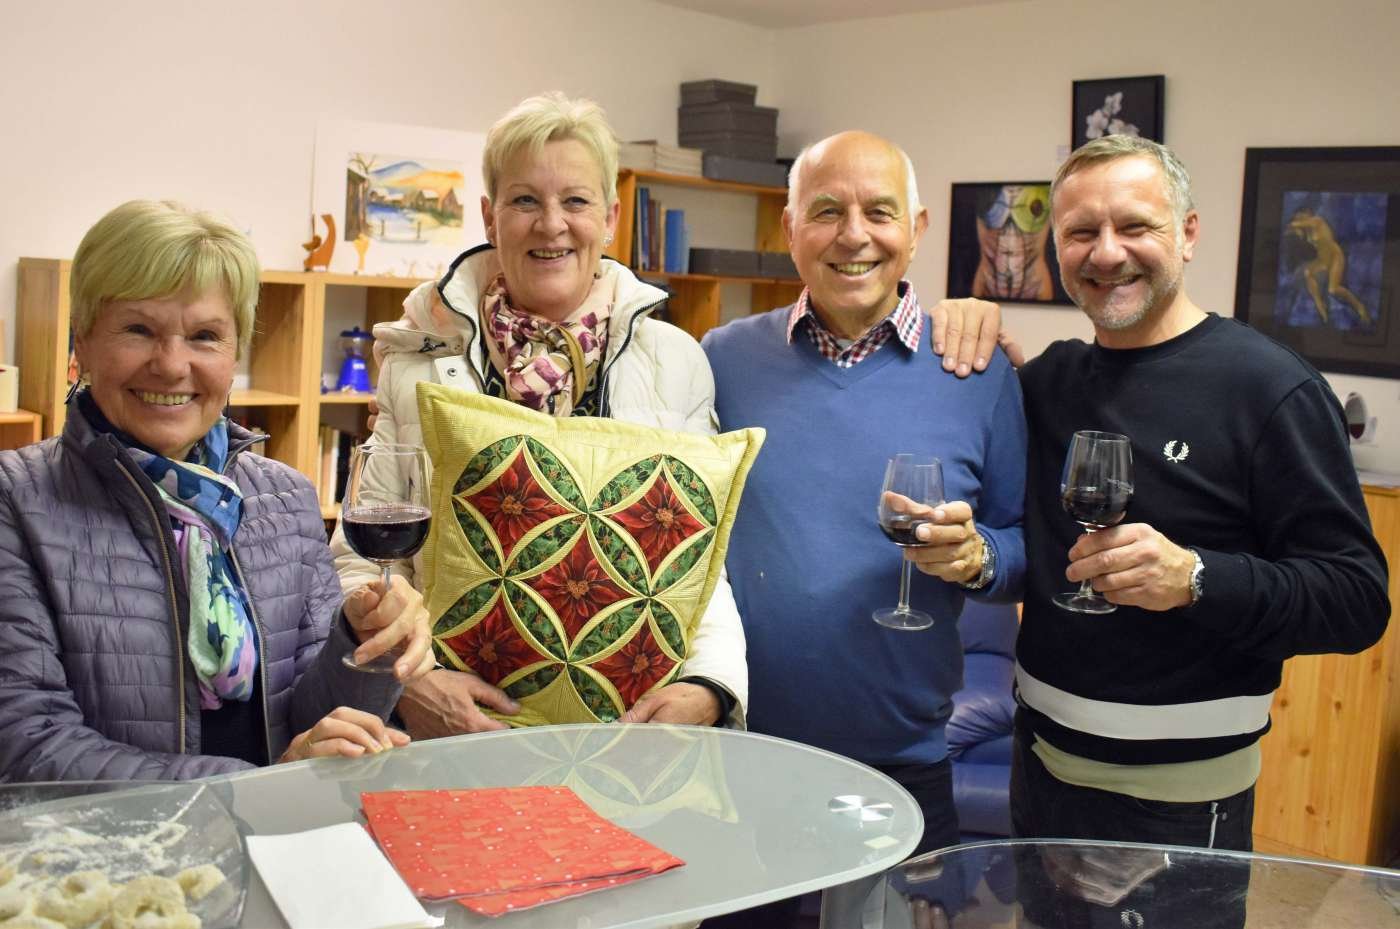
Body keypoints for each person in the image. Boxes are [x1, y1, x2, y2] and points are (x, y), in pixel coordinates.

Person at [1009, 137, 1389, 926]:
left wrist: (1198, 579)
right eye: (1081, 232)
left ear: (1187, 233)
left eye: (1134, 226)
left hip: (1177, 807)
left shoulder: (1269, 387)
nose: (1106, 252)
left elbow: (1357, 599)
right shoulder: (1050, 379)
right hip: (1037, 769)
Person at [332, 92, 748, 732]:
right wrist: (409, 683)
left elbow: (699, 562)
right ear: (489, 217)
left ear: (609, 218)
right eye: (525, 200)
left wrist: (709, 688)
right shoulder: (417, 359)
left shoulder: (675, 361)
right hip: (449, 730)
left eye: (575, 201)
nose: (551, 224)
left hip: (626, 734)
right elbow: (361, 561)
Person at [699, 132, 1026, 928]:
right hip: (742, 761)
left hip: (905, 767)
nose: (854, 235)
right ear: (790, 230)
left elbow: (1026, 546)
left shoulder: (978, 371)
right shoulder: (721, 361)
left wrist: (978, 555)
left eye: (879, 212)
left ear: (916, 229)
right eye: (826, 212)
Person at [0, 200, 435, 782]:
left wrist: (362, 645)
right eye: (138, 329)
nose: (171, 365)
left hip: (278, 827)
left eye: (204, 336)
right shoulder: (15, 501)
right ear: (82, 340)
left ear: (235, 353)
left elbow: (315, 723)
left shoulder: (286, 499)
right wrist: (250, 791)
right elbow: (27, 744)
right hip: (120, 842)